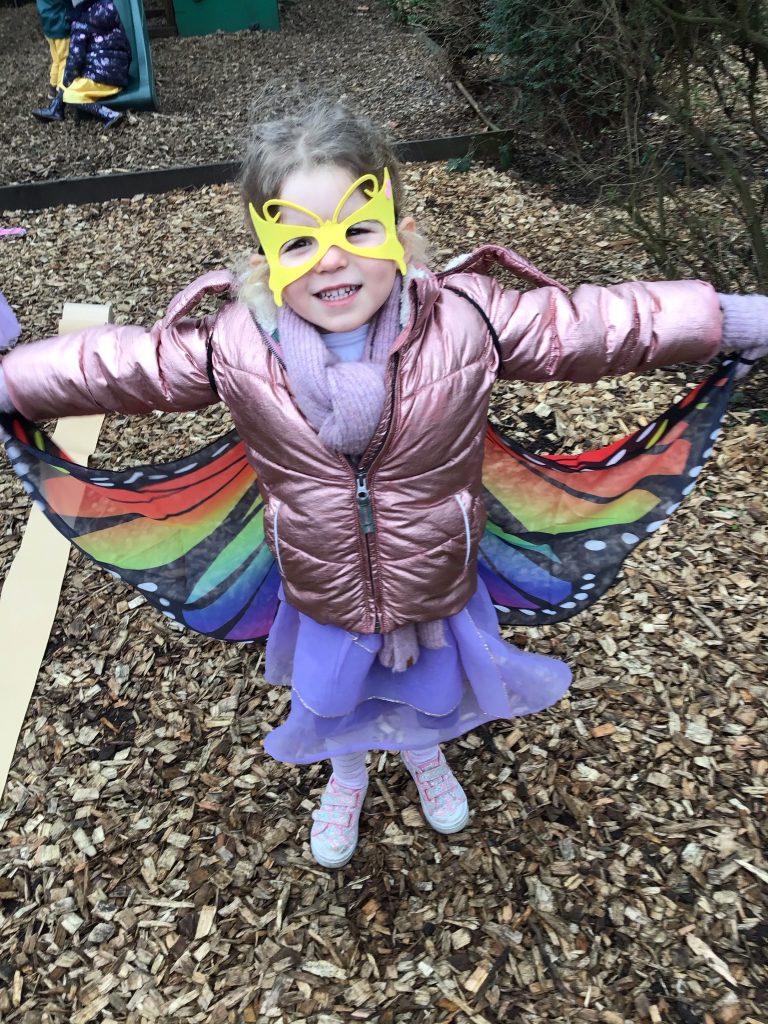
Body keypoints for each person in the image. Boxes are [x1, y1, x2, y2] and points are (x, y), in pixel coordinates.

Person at [1, 101, 766, 870]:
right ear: (265, 257)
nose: (331, 261)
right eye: (300, 240)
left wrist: (725, 320)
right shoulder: (237, 344)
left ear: (399, 230)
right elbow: (113, 364)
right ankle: (348, 774)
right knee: (335, 698)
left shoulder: (464, 319)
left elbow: (591, 325)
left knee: (429, 692)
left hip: (432, 577)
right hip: (324, 583)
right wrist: (12, 382)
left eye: (357, 231)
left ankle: (424, 755)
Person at [32, 0, 131, 128]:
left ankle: (109, 114)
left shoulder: (81, 21)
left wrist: (66, 84)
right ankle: (56, 109)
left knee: (71, 94)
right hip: (120, 73)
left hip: (104, 80)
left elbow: (75, 59)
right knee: (69, 79)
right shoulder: (108, 8)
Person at [31, 0, 73, 114]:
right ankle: (60, 94)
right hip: (60, 25)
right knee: (64, 60)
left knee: (57, 60)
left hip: (48, 26)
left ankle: (52, 88)